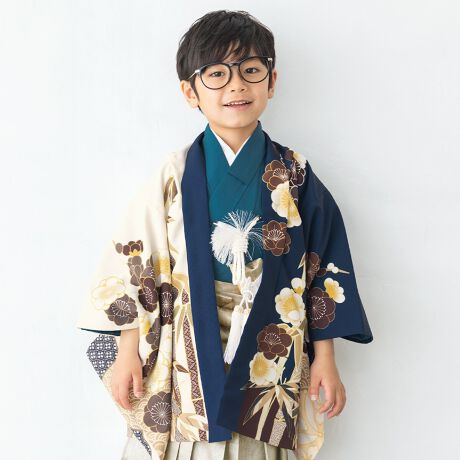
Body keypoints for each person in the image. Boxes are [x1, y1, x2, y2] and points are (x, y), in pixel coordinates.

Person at [76, 9, 373, 460]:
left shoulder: (294, 174)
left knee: (259, 441)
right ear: (190, 91)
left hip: (270, 337)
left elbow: (322, 267)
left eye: (251, 70)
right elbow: (138, 263)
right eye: (217, 74)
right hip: (189, 338)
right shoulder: (174, 174)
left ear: (271, 82)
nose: (236, 86)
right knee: (193, 438)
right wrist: (128, 350)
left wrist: (326, 359)